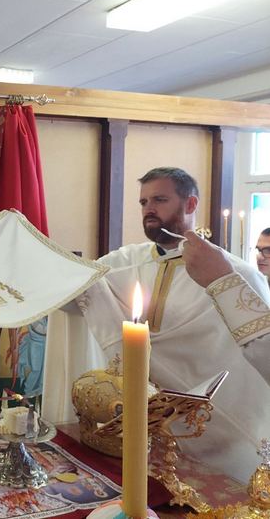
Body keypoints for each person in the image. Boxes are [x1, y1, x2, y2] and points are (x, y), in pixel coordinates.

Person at [75, 167, 270, 481]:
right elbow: (76, 286)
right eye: (144, 202)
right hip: (149, 424)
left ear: (190, 204)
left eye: (160, 200)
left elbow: (257, 348)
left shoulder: (235, 273)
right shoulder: (125, 262)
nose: (149, 209)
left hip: (216, 426)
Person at [181, 230, 270, 384]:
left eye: (268, 250)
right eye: (258, 250)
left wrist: (222, 280)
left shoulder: (250, 275)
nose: (261, 256)